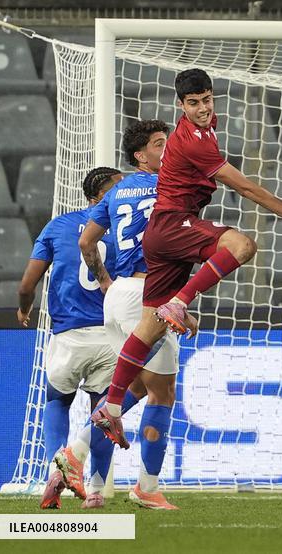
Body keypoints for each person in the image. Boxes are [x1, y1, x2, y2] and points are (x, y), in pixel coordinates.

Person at [90, 70, 282, 482]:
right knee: (242, 245)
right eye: (194, 103)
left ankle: (111, 406)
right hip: (174, 224)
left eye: (207, 99)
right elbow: (245, 188)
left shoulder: (205, 126)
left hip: (160, 235)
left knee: (150, 328)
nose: (204, 108)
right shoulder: (191, 139)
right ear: (181, 106)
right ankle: (180, 301)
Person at [71, 119, 181, 509]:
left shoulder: (116, 192)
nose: (167, 149)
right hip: (147, 295)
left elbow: (87, 241)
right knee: (162, 392)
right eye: (159, 144)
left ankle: (74, 453)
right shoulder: (169, 185)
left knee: (134, 387)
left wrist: (104, 280)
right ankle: (146, 487)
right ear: (140, 155)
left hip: (118, 294)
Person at [22, 167, 121, 509]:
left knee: (57, 401)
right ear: (99, 197)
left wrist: (24, 307)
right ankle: (96, 491)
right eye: (117, 188)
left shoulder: (58, 226)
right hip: (109, 336)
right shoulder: (125, 229)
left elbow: (27, 284)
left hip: (67, 335)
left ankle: (56, 471)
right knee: (105, 415)